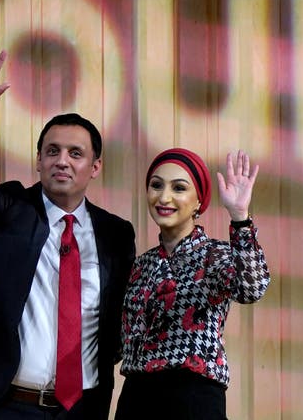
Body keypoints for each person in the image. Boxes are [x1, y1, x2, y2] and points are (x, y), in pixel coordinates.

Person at [0, 41, 136, 420]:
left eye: (75, 154)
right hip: (10, 406)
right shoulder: (10, 211)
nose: (62, 161)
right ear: (39, 161)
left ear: (95, 167)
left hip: (85, 408)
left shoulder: (116, 234)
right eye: (52, 151)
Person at [115, 148, 270, 420]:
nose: (164, 197)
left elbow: (251, 288)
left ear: (199, 201)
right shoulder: (141, 265)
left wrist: (240, 217)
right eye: (156, 185)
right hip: (136, 396)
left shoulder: (215, 255)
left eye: (179, 188)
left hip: (192, 397)